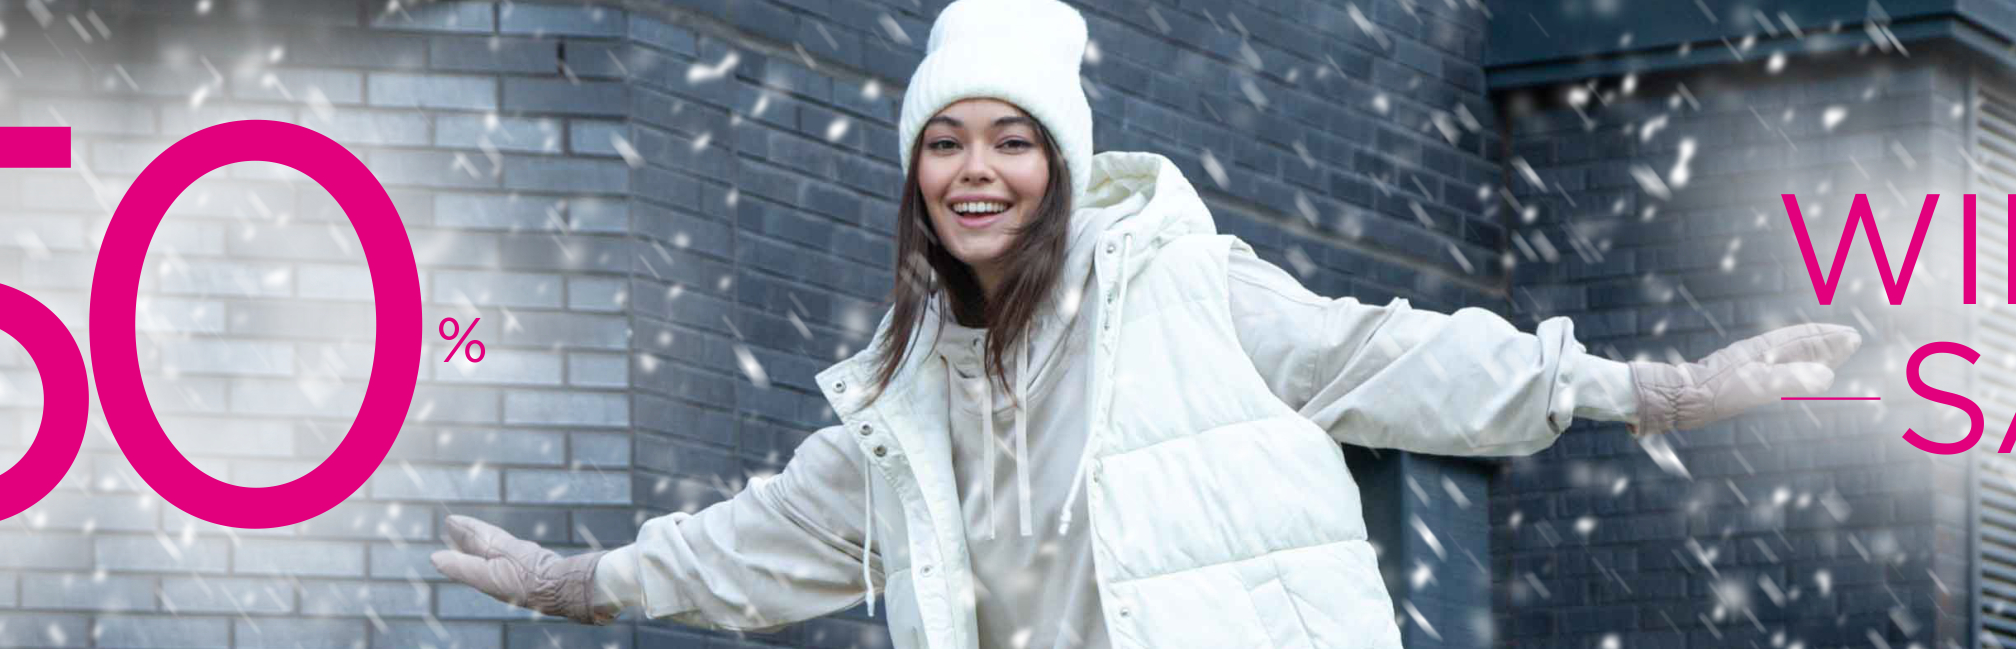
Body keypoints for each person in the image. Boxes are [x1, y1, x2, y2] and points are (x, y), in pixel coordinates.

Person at [427, 0, 1861, 647]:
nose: (977, 170)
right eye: (945, 143)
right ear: (915, 175)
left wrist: (1648, 388)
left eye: (1012, 141)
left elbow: (1391, 354)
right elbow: (759, 540)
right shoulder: (902, 394)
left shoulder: (1187, 287)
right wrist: (579, 578)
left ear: (1059, 163)